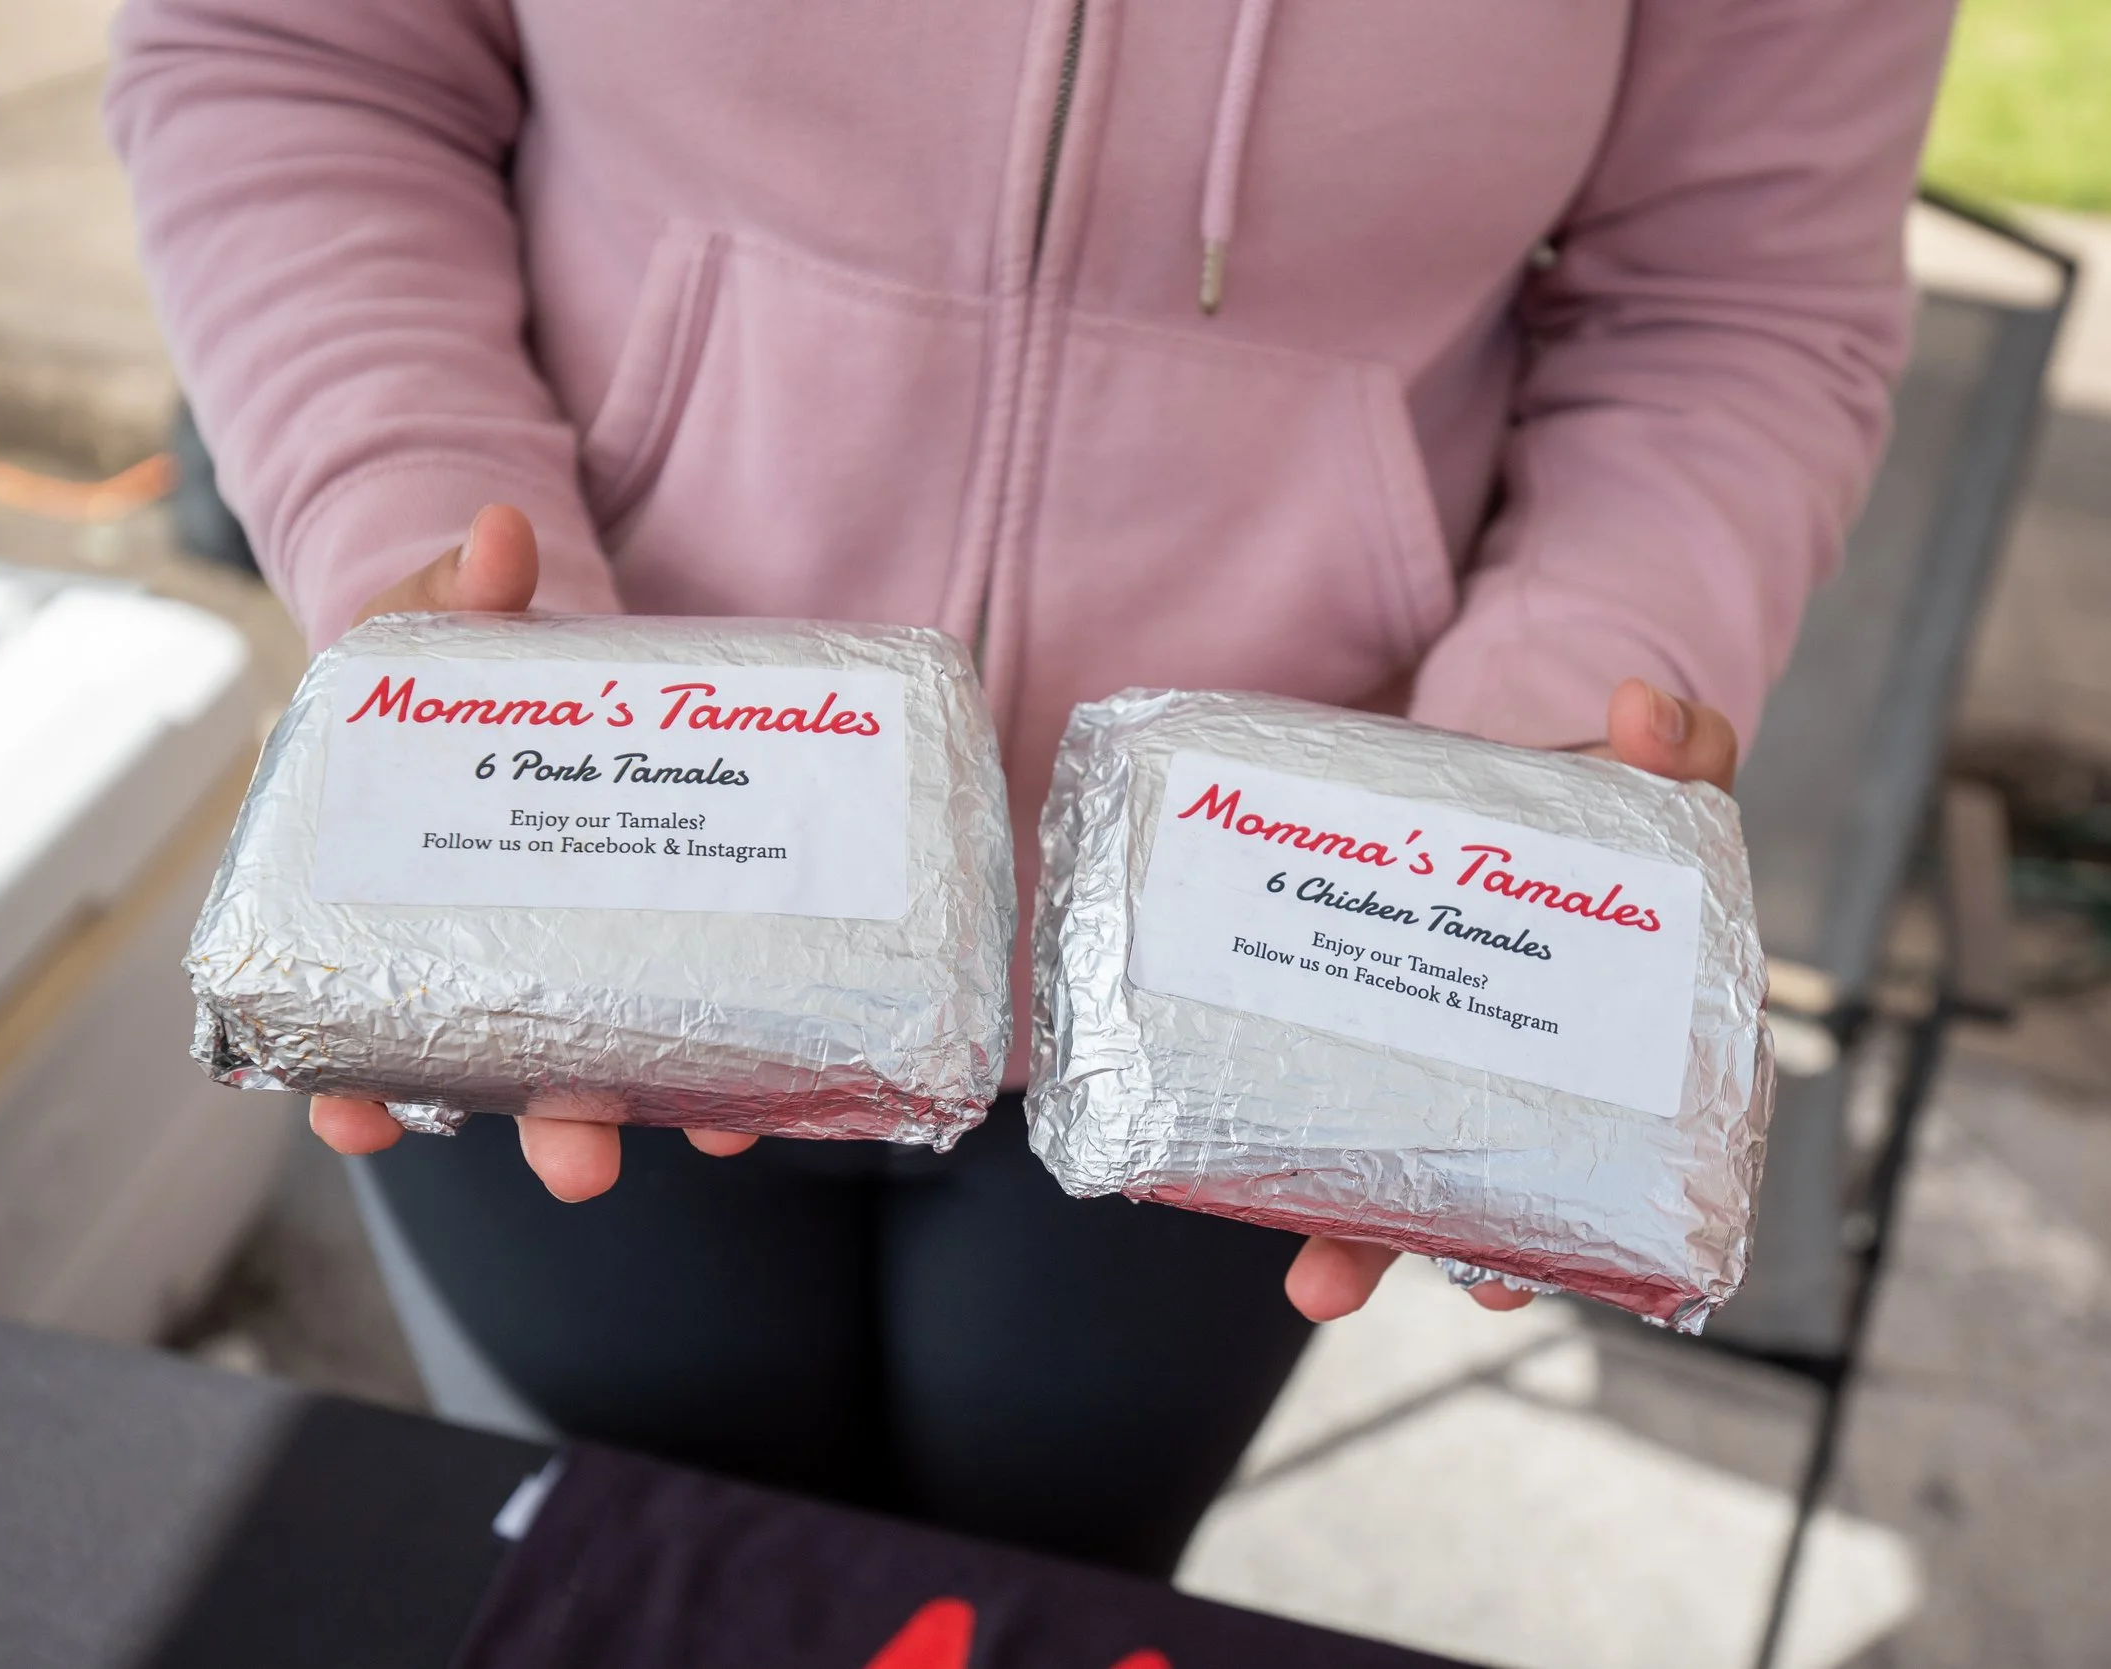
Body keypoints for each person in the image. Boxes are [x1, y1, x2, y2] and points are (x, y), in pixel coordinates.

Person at [109, 0, 1956, 1577]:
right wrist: (430, 564)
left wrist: (1538, 757)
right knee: (640, 1585)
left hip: (1265, 971)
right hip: (568, 857)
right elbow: (298, 55)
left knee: (1038, 1603)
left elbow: (1735, 289)